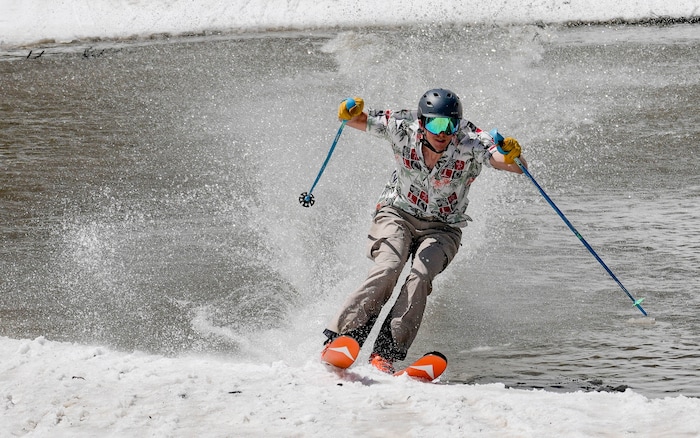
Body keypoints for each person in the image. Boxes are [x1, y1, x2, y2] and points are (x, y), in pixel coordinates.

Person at [322, 88, 527, 373]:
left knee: (419, 277)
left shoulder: (472, 141)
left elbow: (511, 166)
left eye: (449, 125)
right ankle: (343, 338)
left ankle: (385, 355)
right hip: (397, 213)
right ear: (422, 122)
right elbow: (357, 120)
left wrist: (513, 156)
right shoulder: (403, 127)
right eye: (435, 124)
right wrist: (348, 113)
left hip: (444, 228)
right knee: (389, 268)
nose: (442, 133)